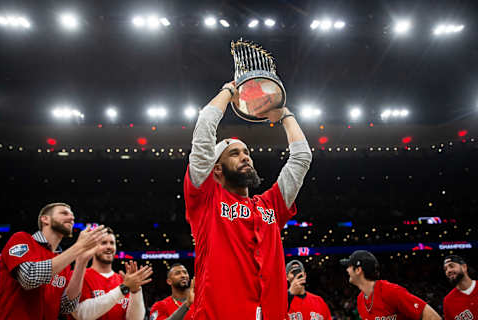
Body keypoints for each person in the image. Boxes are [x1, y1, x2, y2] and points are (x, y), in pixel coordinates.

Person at [184, 81, 312, 319]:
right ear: (217, 170)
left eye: (247, 153)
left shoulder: (271, 204)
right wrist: (227, 91)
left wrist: (284, 114)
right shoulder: (206, 198)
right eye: (235, 153)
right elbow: (203, 135)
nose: (245, 157)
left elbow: (302, 158)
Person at [0, 202, 107, 319]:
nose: (72, 218)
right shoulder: (22, 239)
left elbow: (67, 307)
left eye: (72, 216)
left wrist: (81, 261)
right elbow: (28, 278)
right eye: (64, 213)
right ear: (45, 219)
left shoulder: (63, 261)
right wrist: (79, 247)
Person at [70, 227, 152, 320]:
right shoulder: (78, 275)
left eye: (112, 243)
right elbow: (81, 314)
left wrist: (136, 291)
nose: (109, 247)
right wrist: (123, 288)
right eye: (103, 243)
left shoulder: (124, 280)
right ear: (92, 247)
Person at [341, 250, 441, 320]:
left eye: (349, 266)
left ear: (358, 270)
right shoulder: (360, 299)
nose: (346, 270)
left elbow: (433, 317)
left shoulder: (390, 291)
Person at [443, 255, 478, 320]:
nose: (448, 271)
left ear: (464, 267)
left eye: (451, 266)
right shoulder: (448, 301)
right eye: (445, 269)